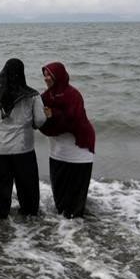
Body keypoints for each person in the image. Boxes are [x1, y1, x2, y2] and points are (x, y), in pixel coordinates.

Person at [0, 58, 45, 217]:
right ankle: (29, 214)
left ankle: (0, 215)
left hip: (0, 149)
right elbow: (40, 120)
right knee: (27, 186)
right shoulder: (33, 95)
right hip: (24, 149)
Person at [39, 62, 96, 218]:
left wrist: (53, 115)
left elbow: (73, 120)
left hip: (79, 151)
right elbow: (39, 119)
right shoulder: (46, 96)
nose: (46, 78)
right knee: (59, 195)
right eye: (44, 75)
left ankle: (77, 232)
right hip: (58, 151)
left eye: (49, 75)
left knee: (76, 200)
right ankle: (64, 230)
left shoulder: (73, 95)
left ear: (59, 76)